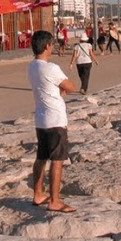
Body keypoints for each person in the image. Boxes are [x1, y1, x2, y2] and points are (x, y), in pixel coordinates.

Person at [28, 30, 77, 213]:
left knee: (41, 157)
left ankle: (38, 194)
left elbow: (47, 86)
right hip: (55, 119)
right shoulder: (51, 68)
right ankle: (55, 200)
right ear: (47, 46)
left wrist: (57, 90)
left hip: (41, 119)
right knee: (57, 160)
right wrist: (61, 89)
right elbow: (71, 87)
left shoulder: (32, 66)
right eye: (52, 44)